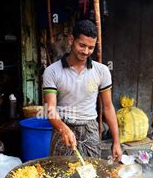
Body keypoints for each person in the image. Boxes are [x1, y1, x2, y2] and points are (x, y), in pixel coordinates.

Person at [43, 19, 122, 161]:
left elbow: (108, 107)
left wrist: (116, 142)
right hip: (63, 127)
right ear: (71, 40)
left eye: (91, 48)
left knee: (91, 174)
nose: (86, 51)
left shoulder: (102, 71)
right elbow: (50, 110)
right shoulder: (52, 71)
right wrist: (62, 128)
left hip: (90, 128)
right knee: (61, 176)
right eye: (82, 45)